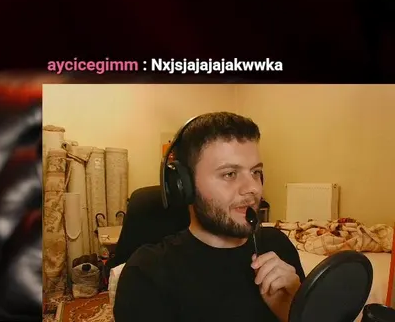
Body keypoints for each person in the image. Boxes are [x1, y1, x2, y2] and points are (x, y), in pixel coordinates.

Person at [114, 112, 307, 322]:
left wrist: (294, 311)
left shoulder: (277, 246)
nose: (253, 188)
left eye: (255, 172)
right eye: (230, 174)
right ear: (183, 186)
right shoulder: (147, 274)